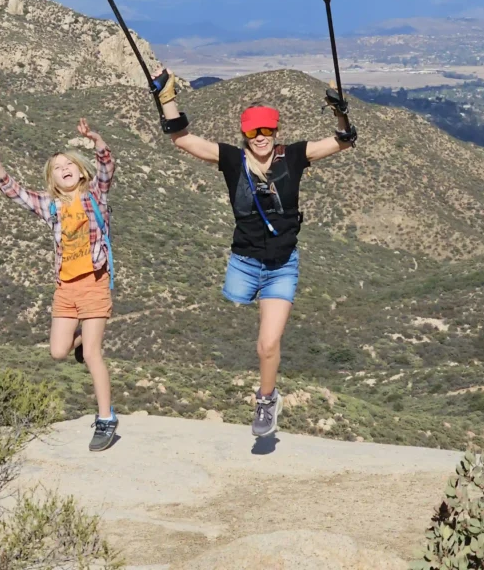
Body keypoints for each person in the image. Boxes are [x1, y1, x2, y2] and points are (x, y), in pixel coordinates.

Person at [148, 69, 358, 437]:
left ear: (276, 132)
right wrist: (167, 100)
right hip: (243, 263)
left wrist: (340, 111)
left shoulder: (293, 157)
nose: (260, 138)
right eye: (252, 132)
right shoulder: (232, 160)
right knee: (224, 314)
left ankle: (266, 399)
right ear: (243, 135)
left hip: (281, 266)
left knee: (267, 343)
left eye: (266, 131)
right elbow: (182, 139)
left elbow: (343, 141)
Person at [0, 118, 119, 452]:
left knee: (94, 354)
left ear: (81, 172)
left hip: (95, 283)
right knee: (57, 351)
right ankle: (83, 335)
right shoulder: (50, 205)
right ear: (51, 178)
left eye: (69, 164)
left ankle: (106, 419)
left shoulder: (95, 194)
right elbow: (14, 191)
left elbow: (107, 166)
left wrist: (96, 139)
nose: (65, 168)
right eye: (57, 168)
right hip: (65, 289)